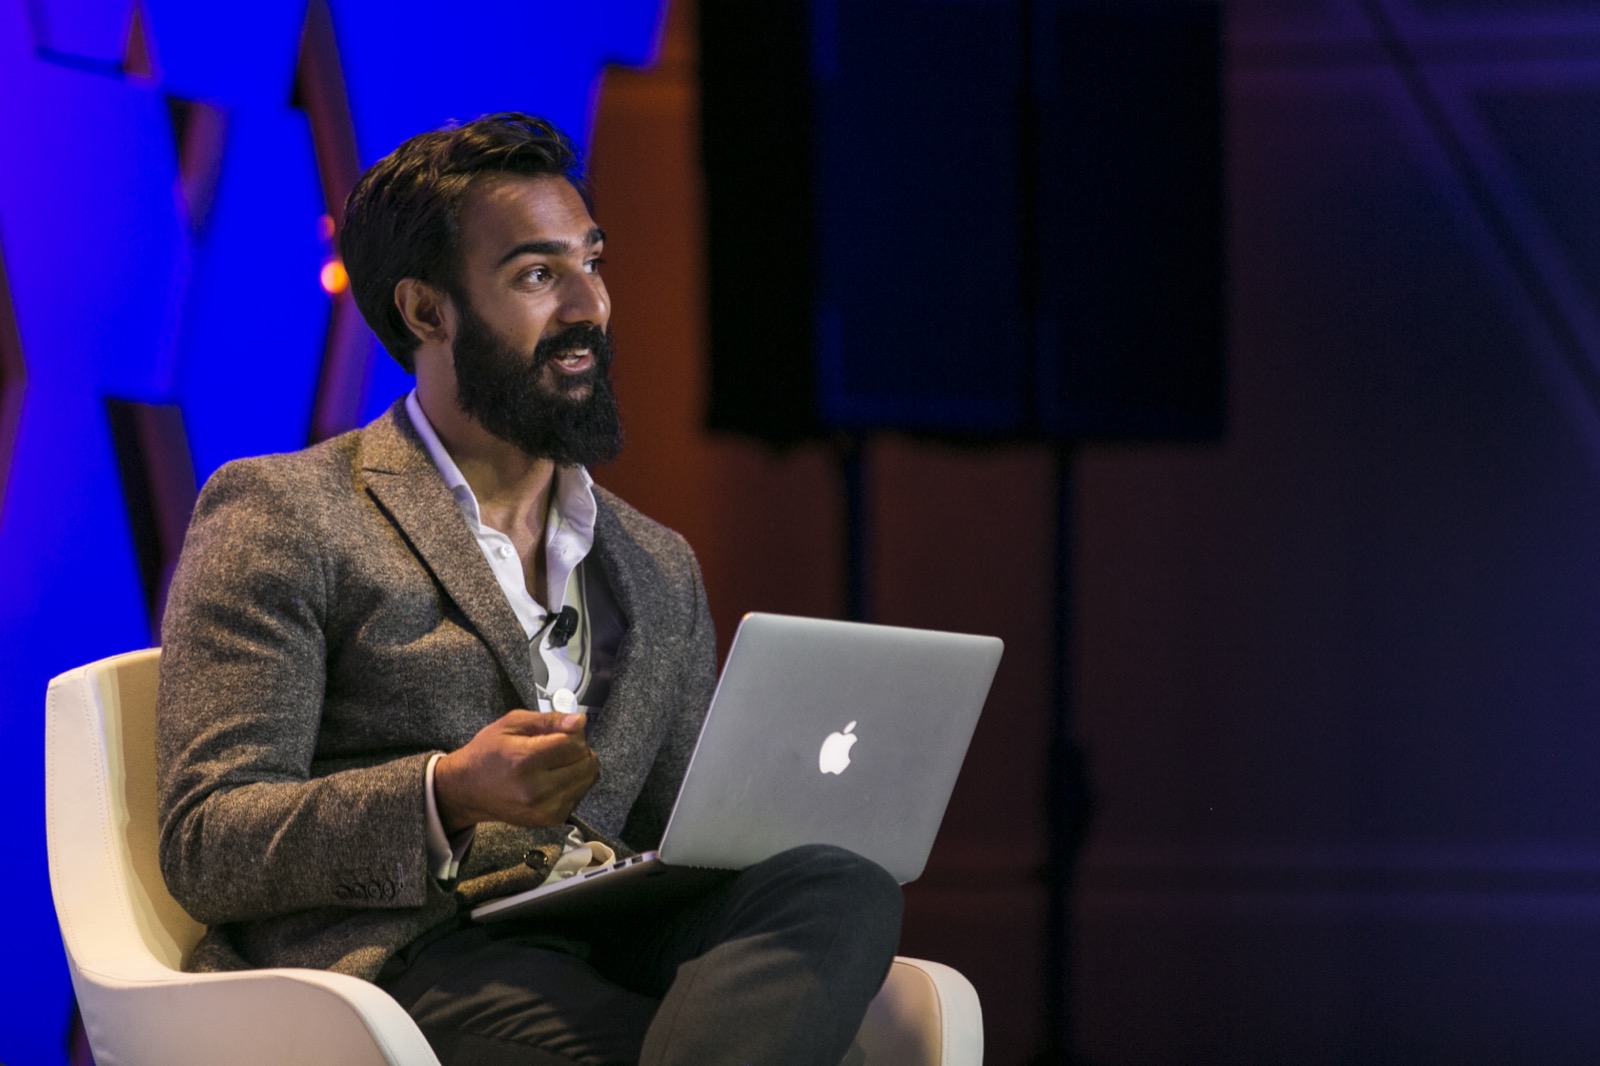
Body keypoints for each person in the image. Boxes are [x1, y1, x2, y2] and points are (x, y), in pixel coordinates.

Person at [156, 112, 902, 1065]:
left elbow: (685, 834)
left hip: (606, 936)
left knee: (838, 883)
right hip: (410, 960)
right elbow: (207, 840)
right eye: (538, 276)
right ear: (428, 311)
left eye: (592, 261)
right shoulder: (285, 511)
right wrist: (447, 793)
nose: (589, 304)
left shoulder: (657, 562)